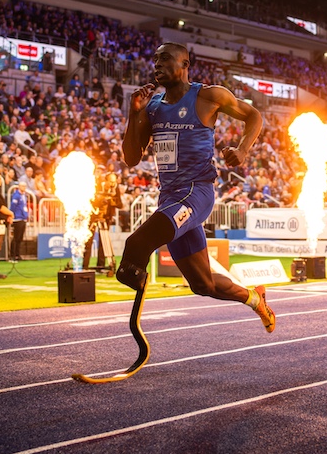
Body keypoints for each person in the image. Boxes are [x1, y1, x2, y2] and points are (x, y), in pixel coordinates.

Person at [116, 42, 275, 332]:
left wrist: (242, 149)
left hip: (196, 193)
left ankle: (137, 335)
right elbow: (130, 158)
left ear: (185, 65)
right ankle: (255, 299)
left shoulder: (208, 96)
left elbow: (254, 115)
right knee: (203, 284)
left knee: (136, 244)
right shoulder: (152, 107)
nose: (157, 65)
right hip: (170, 200)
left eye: (165, 59)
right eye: (155, 60)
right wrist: (132, 112)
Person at [8, 181, 29, 263]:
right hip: (17, 218)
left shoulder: (24, 196)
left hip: (23, 218)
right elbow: (13, 206)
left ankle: (17, 254)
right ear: (19, 187)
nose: (24, 188)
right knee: (16, 237)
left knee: (20, 238)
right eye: (22, 186)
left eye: (25, 186)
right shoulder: (16, 196)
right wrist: (12, 215)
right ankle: (12, 255)